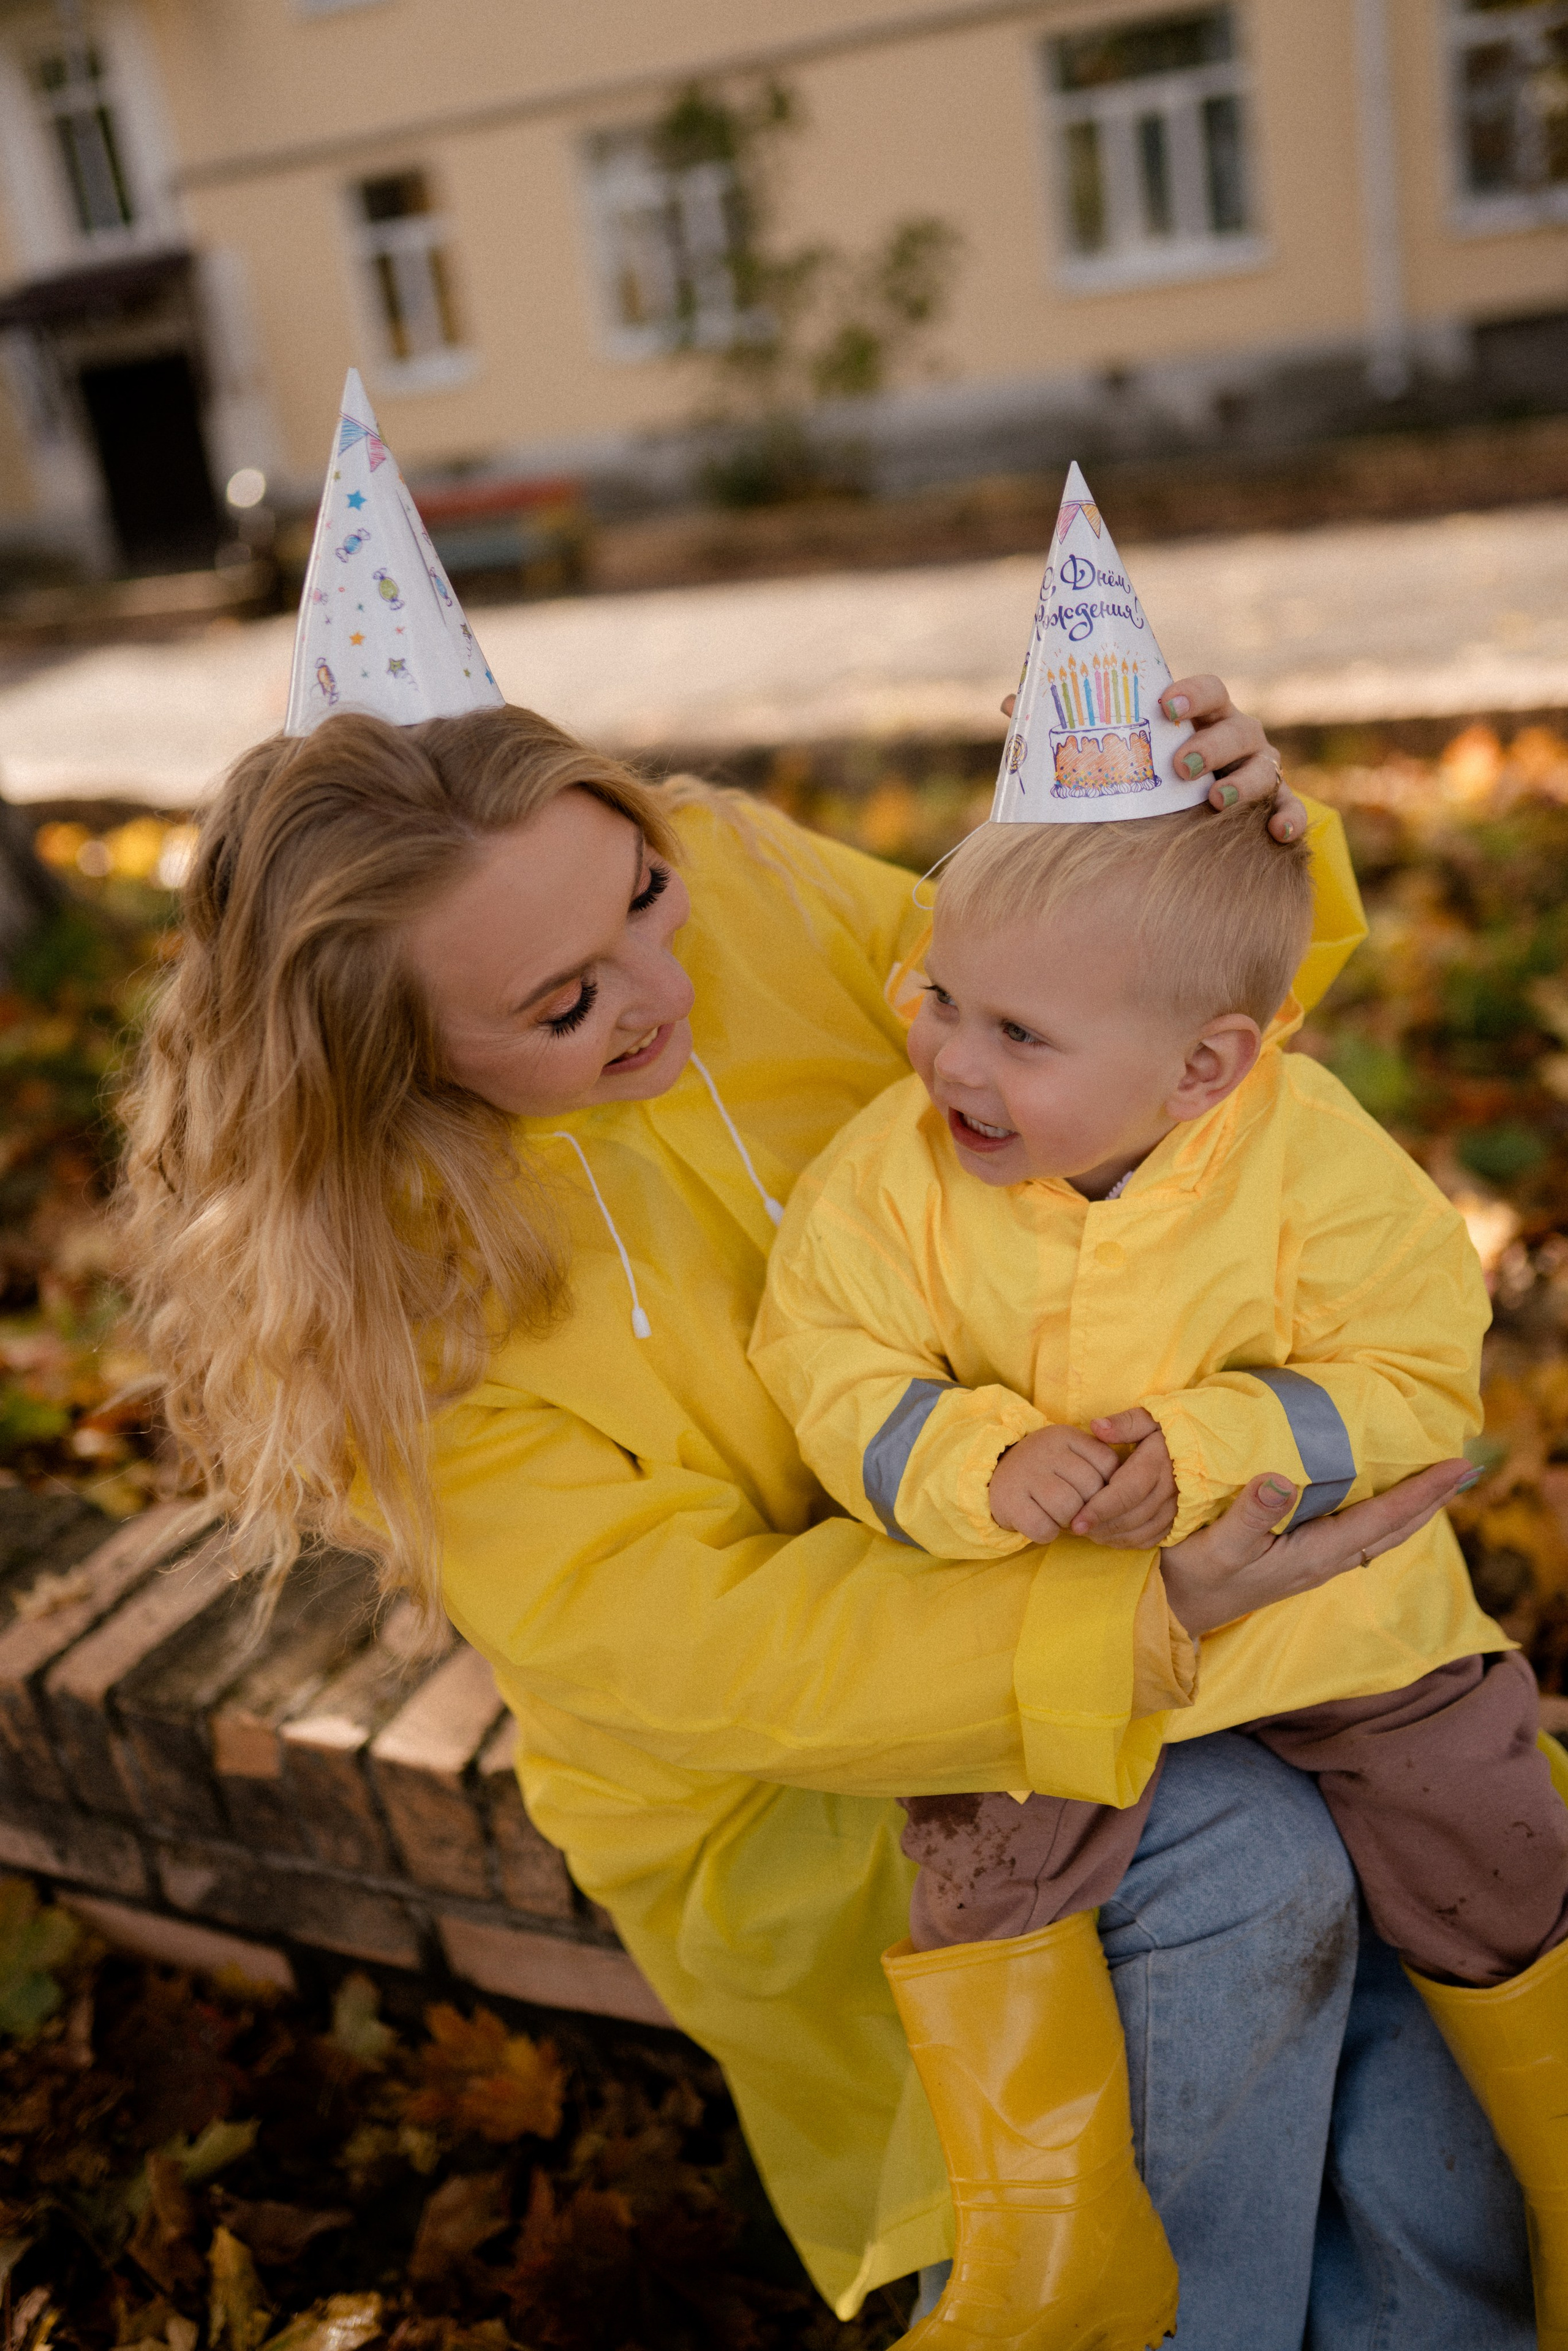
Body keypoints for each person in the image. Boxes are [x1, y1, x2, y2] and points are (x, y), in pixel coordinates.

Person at [119, 379, 1531, 2349]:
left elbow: (1097, 1013)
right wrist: (1107, 1616)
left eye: (641, 895)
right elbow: (678, 1644)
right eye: (568, 1001)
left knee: (1418, 1852)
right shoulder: (403, 1290)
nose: (667, 992)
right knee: (1242, 1864)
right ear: (389, 1062)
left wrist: (1207, 854)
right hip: (823, 1743)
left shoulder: (750, 877)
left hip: (1096, 1518)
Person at [752, 799, 1568, 2345]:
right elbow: (827, 1357)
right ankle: (1047, 2253)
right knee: (987, 1867)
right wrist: (971, 1458)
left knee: (1492, 1822)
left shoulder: (1306, 1153)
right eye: (939, 996)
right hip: (1065, 1646)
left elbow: (1413, 1372)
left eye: (1017, 1032)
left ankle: (1553, 2168)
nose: (948, 1060)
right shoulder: (895, 1174)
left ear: (1204, 1066)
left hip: (1341, 1637)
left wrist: (1216, 1440)